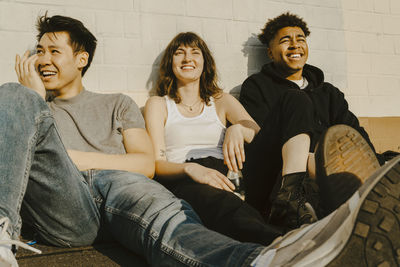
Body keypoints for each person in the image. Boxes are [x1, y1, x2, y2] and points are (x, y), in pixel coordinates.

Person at [1, 13, 398, 267]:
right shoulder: (30, 109)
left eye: (54, 50)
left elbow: (142, 165)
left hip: (134, 184)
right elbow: (152, 162)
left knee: (171, 223)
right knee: (12, 94)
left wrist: (241, 126)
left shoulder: (118, 102)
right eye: (39, 51)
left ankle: (275, 255)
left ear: (81, 58)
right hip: (75, 200)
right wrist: (34, 100)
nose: (42, 59)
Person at [239, 12, 394, 228]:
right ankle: (294, 205)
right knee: (296, 101)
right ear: (270, 53)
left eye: (300, 39)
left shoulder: (329, 93)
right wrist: (311, 159)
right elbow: (263, 140)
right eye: (285, 40)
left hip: (327, 172)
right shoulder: (257, 87)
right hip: (279, 176)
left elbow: (353, 134)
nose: (295, 45)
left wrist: (376, 165)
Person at [144, 32, 282, 245]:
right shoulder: (159, 104)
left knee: (294, 100)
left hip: (232, 172)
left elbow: (257, 134)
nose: (188, 59)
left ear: (204, 62)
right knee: (226, 208)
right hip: (189, 178)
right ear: (170, 62)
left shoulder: (221, 100)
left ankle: (293, 204)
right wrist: (191, 170)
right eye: (179, 53)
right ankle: (282, 243)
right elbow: (157, 164)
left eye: (195, 53)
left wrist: (237, 128)